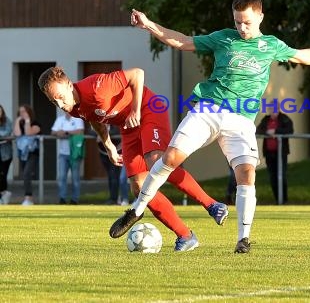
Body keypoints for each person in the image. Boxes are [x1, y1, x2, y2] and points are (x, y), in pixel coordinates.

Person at [111, 0, 310, 253]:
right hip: (209, 108)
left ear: (260, 17)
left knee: (247, 173)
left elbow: (305, 56)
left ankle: (243, 239)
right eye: (237, 22)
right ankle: (137, 209)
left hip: (241, 119)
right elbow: (182, 42)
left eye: (247, 23)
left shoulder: (271, 45)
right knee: (171, 157)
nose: (242, 28)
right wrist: (149, 24)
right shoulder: (222, 38)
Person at [37, 66, 228, 252]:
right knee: (138, 186)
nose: (60, 105)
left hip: (148, 109)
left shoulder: (98, 86)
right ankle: (185, 236)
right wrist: (109, 145)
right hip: (127, 126)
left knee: (156, 161)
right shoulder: (73, 107)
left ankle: (212, 205)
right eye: (55, 102)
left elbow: (137, 74)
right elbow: (95, 118)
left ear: (69, 85)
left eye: (60, 98)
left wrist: (135, 110)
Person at [256, 105, 294, 204]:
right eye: (270, 109)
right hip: (269, 153)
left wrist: (275, 131)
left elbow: (290, 130)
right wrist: (268, 132)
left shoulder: (284, 118)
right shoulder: (266, 119)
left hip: (281, 153)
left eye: (274, 109)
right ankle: (278, 200)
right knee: (272, 177)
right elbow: (259, 129)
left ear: (278, 109)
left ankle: (284, 200)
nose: (272, 111)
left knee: (282, 176)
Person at [51, 112, 85, 204]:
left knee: (75, 178)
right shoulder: (60, 119)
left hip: (75, 153)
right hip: (63, 153)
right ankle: (62, 198)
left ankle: (75, 199)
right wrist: (59, 133)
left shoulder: (78, 119)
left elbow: (80, 131)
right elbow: (53, 132)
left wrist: (66, 132)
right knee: (62, 177)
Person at [13, 104, 42, 206]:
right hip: (22, 153)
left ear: (29, 112)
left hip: (32, 153)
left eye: (24, 112)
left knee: (26, 174)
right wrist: (17, 121)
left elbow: (28, 132)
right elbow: (17, 134)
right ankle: (28, 197)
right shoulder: (19, 123)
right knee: (24, 175)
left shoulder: (35, 123)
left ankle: (28, 198)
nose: (22, 114)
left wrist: (27, 121)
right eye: (20, 112)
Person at [95, 124, 130, 205]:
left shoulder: (116, 126)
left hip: (118, 154)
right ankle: (113, 198)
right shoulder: (100, 124)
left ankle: (116, 198)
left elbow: (123, 138)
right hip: (103, 154)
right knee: (111, 177)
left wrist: (107, 136)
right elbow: (95, 136)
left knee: (116, 177)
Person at [0, 104, 13, 205]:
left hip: (5, 154)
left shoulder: (7, 121)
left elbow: (7, 132)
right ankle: (3, 194)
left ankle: (4, 193)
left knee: (3, 175)